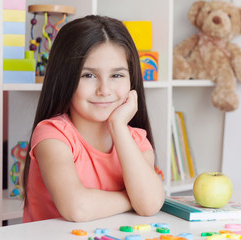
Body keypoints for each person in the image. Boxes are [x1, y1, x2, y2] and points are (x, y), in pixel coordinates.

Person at [22, 15, 165, 223]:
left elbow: (149, 205)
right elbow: (77, 208)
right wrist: (132, 198)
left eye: (117, 75)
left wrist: (118, 126)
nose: (104, 90)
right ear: (65, 79)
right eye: (88, 75)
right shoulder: (52, 136)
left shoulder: (135, 141)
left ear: (131, 80)